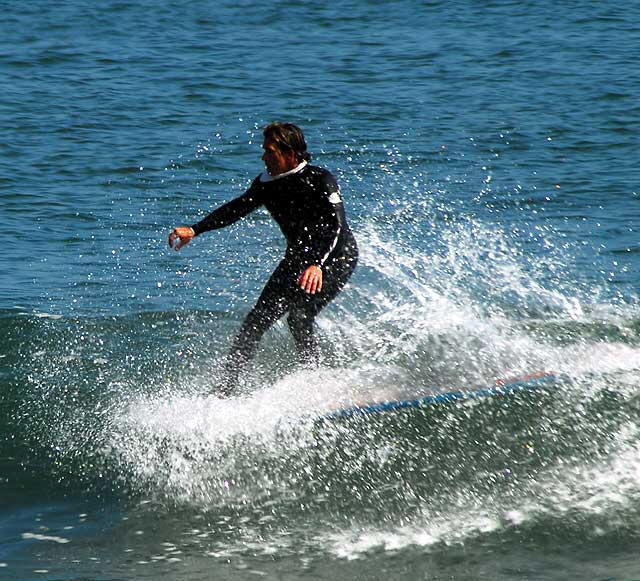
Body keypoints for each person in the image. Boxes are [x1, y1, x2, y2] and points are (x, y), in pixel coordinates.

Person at [169, 122, 358, 395]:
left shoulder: (321, 179)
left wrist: (317, 264)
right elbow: (237, 208)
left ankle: (316, 379)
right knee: (254, 323)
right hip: (298, 260)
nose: (263, 157)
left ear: (291, 153)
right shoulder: (266, 184)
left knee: (299, 316)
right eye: (264, 151)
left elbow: (337, 228)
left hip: (336, 257)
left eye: (270, 151)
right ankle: (225, 390)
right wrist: (196, 229)